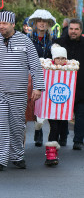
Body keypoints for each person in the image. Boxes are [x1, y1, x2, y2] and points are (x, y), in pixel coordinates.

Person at [0, 11, 45, 171]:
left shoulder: (25, 41)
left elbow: (35, 65)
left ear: (13, 24)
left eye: (4, 24)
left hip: (19, 92)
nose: (1, 26)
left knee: (17, 125)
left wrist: (38, 87)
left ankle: (17, 156)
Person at [28, 9, 57, 147]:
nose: (42, 24)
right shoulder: (28, 39)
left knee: (47, 103)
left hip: (49, 76)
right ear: (35, 23)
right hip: (31, 74)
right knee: (34, 102)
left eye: (44, 21)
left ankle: (50, 135)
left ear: (48, 24)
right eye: (39, 21)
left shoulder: (53, 40)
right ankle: (37, 131)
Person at [54, 18, 84, 150]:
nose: (73, 31)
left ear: (81, 31)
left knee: (80, 114)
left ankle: (78, 141)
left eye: (76, 29)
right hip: (63, 85)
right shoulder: (59, 43)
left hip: (81, 85)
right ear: (68, 29)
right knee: (61, 114)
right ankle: (63, 137)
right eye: (71, 29)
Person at [43, 44, 69, 166]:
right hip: (51, 106)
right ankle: (50, 154)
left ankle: (54, 150)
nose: (61, 61)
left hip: (63, 106)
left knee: (58, 128)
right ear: (53, 59)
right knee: (54, 127)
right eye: (58, 58)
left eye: (63, 58)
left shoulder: (70, 71)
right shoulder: (48, 69)